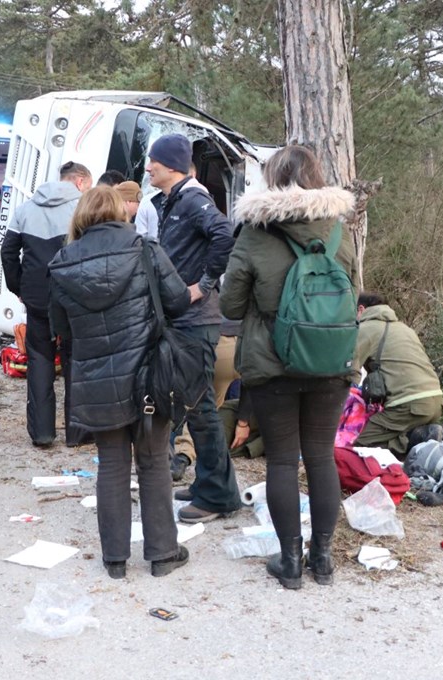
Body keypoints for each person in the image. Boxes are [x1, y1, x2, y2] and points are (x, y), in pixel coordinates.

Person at [220, 144, 357, 588]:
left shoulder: (255, 234)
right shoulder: (339, 232)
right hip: (330, 360)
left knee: (281, 461)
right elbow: (351, 296)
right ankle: (323, 559)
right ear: (318, 179)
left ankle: (290, 562)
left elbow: (232, 304)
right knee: (320, 458)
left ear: (272, 181)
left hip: (273, 362)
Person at [49, 186, 191, 579]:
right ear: (120, 212)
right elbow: (177, 301)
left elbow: (60, 327)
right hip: (149, 373)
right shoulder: (145, 249)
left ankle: (114, 559)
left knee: (111, 465)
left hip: (95, 377)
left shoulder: (62, 262)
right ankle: (162, 553)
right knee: (153, 461)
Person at [148, 133, 242, 523]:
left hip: (196, 322)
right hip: (184, 322)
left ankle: (217, 496)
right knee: (195, 407)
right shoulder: (173, 201)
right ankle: (213, 485)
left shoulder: (193, 199)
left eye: (154, 161)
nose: (149, 166)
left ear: (171, 165)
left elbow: (224, 235)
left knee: (200, 409)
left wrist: (202, 286)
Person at [1, 161, 92, 448]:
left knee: (39, 359)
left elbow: (7, 252)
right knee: (75, 359)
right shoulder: (84, 208)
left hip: (37, 297)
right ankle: (77, 433)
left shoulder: (26, 208)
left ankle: (42, 433)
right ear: (79, 182)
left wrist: (19, 287)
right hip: (74, 295)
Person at [352, 292, 443, 456]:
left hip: (408, 405)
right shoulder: (405, 329)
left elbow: (349, 368)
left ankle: (415, 440)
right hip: (436, 400)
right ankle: (429, 433)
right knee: (389, 430)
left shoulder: (366, 329)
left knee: (359, 444)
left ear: (361, 309)